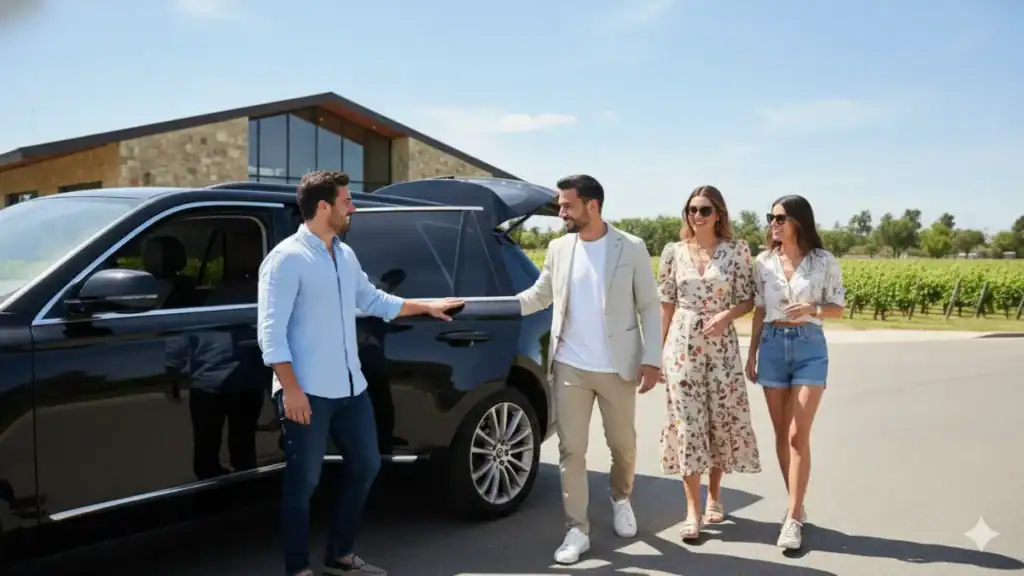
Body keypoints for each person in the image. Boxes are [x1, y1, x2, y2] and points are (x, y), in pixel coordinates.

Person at [257, 170, 463, 576]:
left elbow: (373, 300)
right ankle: (298, 569)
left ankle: (340, 554)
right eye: (346, 200)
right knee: (303, 484)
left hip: (351, 388)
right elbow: (270, 333)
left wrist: (425, 306)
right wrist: (292, 390)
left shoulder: (344, 254)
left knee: (367, 465)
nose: (352, 207)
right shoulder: (285, 259)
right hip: (307, 392)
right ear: (323, 207)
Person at [516, 174, 663, 565]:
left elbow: (649, 305)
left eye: (566, 205)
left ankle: (620, 497)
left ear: (591, 206)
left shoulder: (630, 247)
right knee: (572, 451)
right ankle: (576, 529)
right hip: (570, 367)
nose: (560, 211)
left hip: (618, 367)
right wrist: (486, 306)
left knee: (623, 447)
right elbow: (538, 296)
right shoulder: (559, 248)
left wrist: (652, 358)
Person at [656, 185, 762, 542]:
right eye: (691, 210)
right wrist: (657, 352)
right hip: (683, 345)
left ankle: (715, 495)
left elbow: (748, 299)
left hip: (721, 346)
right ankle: (692, 509)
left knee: (719, 419)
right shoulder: (673, 252)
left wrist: (726, 316)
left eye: (703, 210)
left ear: (718, 213)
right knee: (688, 423)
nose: (695, 216)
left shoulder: (736, 251)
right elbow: (666, 303)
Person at [745, 194, 845, 550]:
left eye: (780, 217)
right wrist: (752, 353)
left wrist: (814, 307)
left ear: (798, 221)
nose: (773, 223)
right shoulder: (763, 262)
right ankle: (796, 505)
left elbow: (839, 307)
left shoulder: (823, 261)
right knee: (780, 433)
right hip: (772, 345)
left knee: (796, 435)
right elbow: (758, 309)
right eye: (770, 217)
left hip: (809, 347)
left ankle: (790, 519)